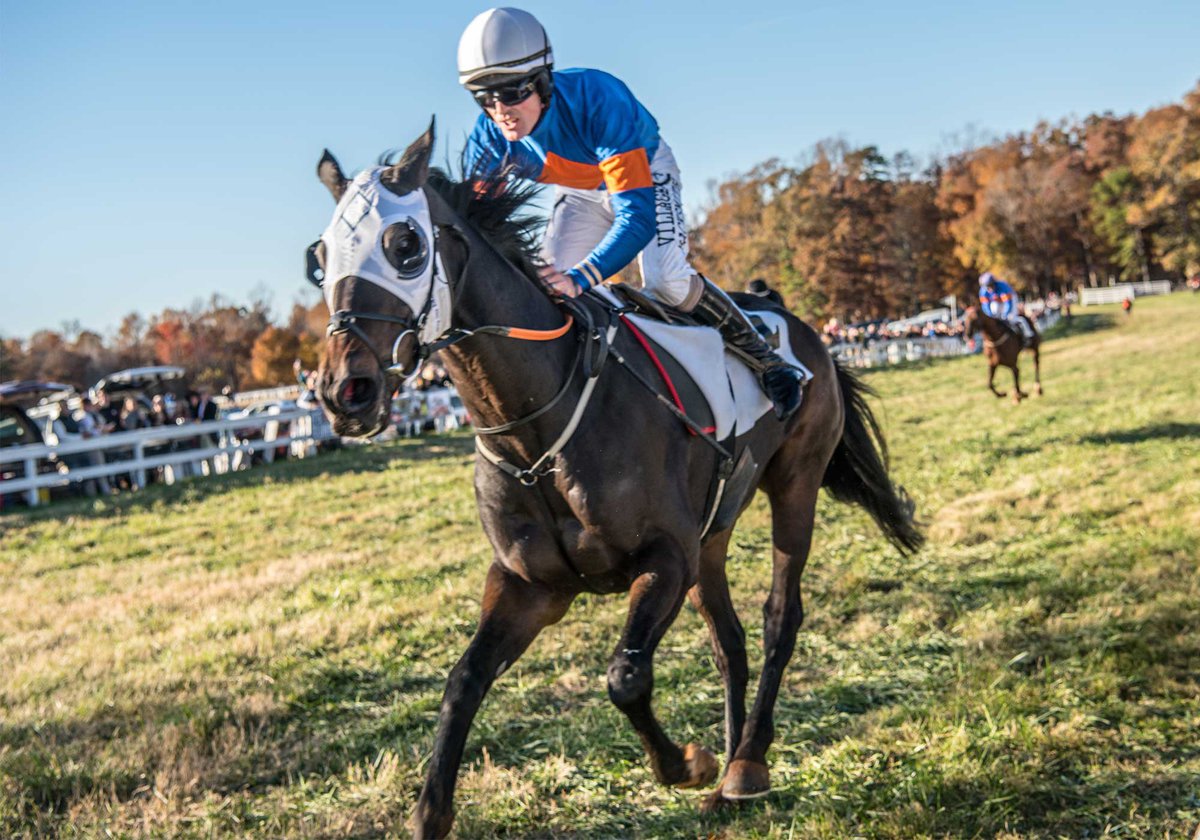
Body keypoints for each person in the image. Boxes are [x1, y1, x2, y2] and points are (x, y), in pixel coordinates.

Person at [457, 7, 803, 419]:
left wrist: (581, 278)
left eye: (513, 92)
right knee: (544, 291)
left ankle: (765, 357)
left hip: (644, 171)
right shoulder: (488, 139)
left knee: (666, 280)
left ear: (543, 81)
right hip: (582, 192)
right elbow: (478, 229)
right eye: (485, 97)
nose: (501, 111)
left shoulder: (597, 98)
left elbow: (635, 219)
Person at [978, 272, 1033, 341]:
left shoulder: (1002, 286)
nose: (989, 288)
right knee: (995, 314)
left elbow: (1008, 303)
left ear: (994, 283)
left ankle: (1028, 333)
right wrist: (991, 316)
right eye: (987, 287)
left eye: (991, 285)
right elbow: (986, 307)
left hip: (1011, 299)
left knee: (1011, 318)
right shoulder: (983, 292)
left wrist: (1005, 314)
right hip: (998, 301)